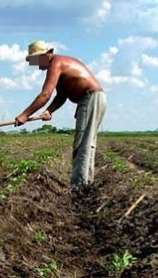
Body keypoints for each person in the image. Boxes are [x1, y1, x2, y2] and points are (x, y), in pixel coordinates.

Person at [15, 40, 107, 191]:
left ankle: (78, 188)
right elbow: (61, 95)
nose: (37, 65)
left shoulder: (56, 63)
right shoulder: (61, 63)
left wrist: (24, 115)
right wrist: (49, 110)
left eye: (37, 60)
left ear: (48, 54)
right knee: (87, 143)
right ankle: (85, 185)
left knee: (82, 144)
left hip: (91, 98)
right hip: (94, 98)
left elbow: (45, 95)